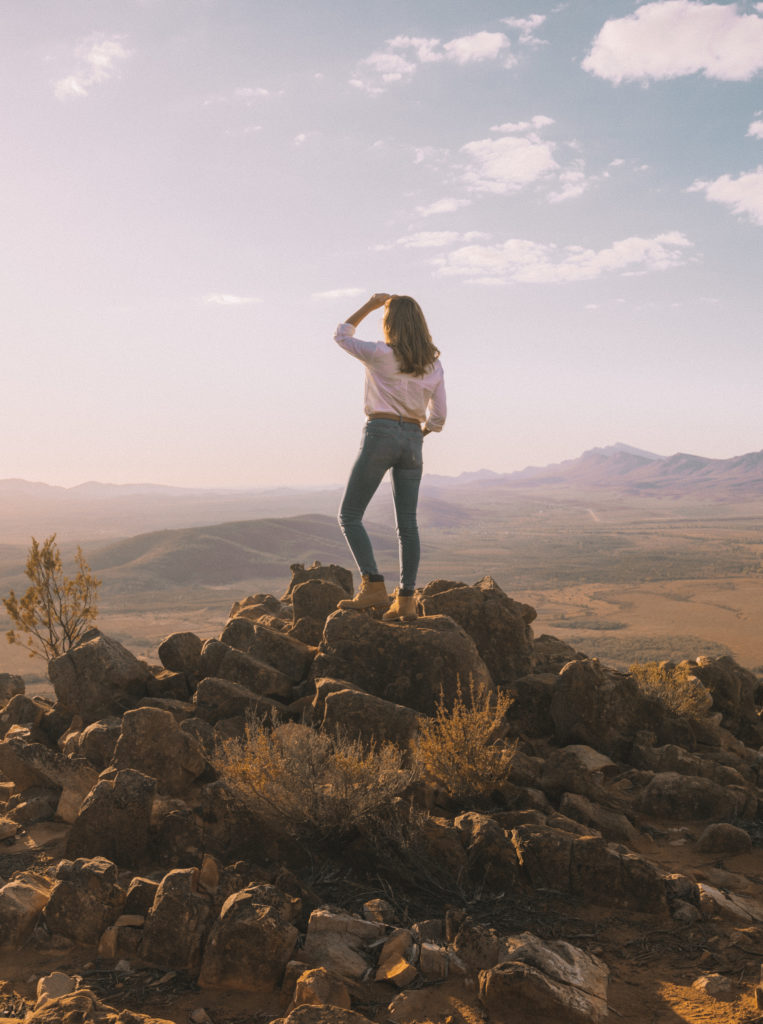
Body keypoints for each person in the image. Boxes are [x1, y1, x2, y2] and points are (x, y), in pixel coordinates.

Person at [334, 292, 447, 621]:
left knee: (350, 515)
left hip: (380, 433)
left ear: (390, 323)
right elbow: (438, 416)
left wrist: (370, 305)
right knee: (408, 525)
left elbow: (341, 334)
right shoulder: (433, 365)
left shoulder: (380, 354)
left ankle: (373, 586)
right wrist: (417, 434)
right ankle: (407, 600)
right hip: (413, 439)